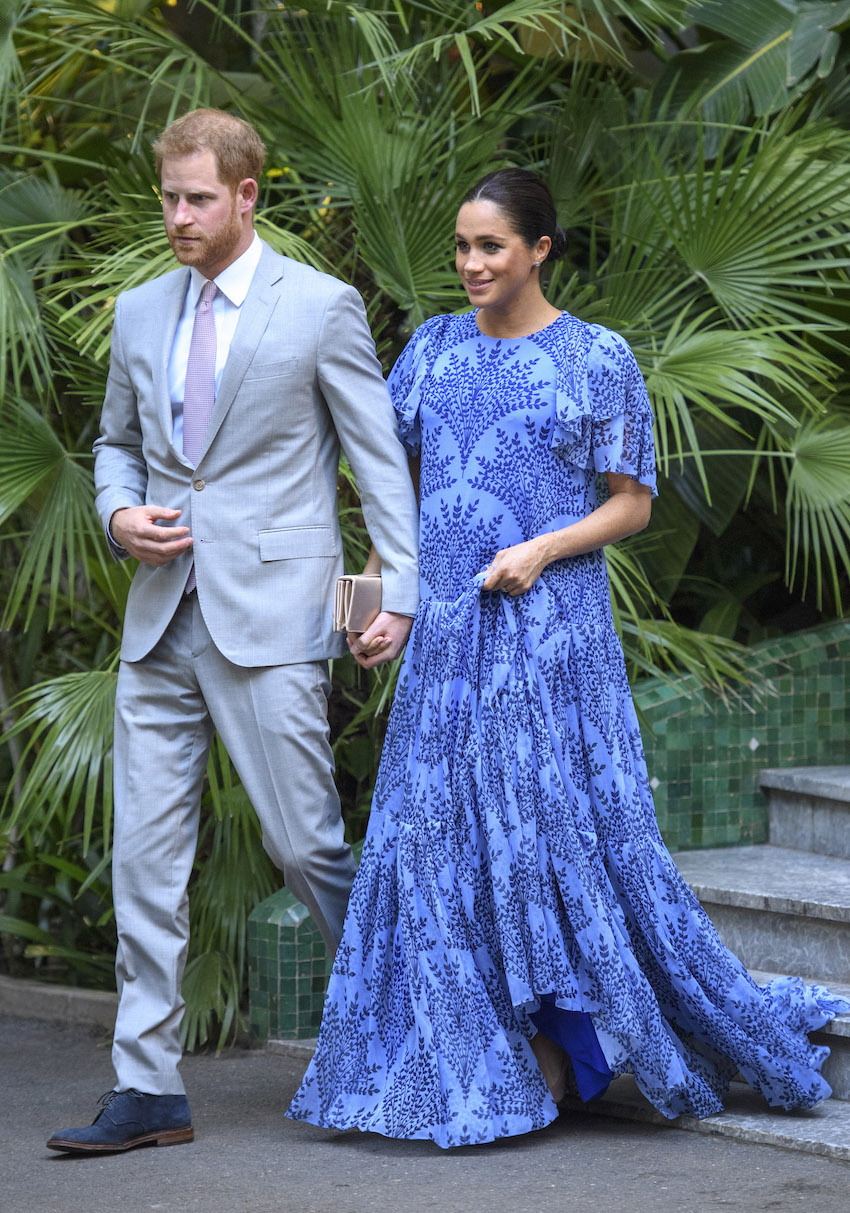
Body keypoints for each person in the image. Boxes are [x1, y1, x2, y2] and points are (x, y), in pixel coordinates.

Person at [287, 167, 848, 1148]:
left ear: (539, 249)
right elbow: (397, 499)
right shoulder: (428, 353)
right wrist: (377, 607)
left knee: (547, 840)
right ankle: (474, 1048)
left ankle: (571, 1047)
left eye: (490, 247)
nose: (468, 265)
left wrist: (543, 547)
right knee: (431, 837)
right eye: (460, 248)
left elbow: (632, 501)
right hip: (448, 643)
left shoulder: (596, 356)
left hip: (549, 633)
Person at [46, 108, 419, 1154]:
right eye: (167, 196)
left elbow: (375, 469)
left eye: (197, 197)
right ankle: (148, 1085)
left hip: (274, 618)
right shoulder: (137, 311)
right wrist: (119, 511)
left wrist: (386, 600)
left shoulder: (322, 307)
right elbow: (114, 446)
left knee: (304, 844)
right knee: (145, 863)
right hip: (159, 622)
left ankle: (400, 1026)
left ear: (247, 196)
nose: (177, 216)